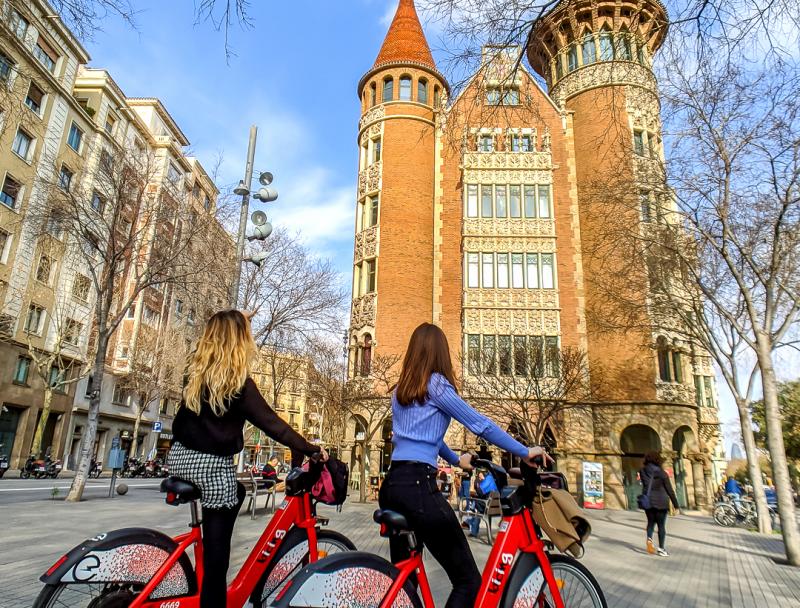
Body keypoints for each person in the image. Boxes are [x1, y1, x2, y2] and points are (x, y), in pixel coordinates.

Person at [379, 322, 551, 607]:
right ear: (440, 353)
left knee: (406, 585)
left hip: (393, 485)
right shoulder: (436, 385)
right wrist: (523, 451)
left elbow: (424, 437)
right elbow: (479, 424)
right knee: (468, 581)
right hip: (419, 488)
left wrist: (456, 459)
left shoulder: (399, 391)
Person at [168, 310, 325, 608]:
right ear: (240, 340)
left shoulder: (195, 371)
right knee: (218, 562)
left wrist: (240, 317)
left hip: (178, 459)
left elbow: (223, 324)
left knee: (237, 491)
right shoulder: (237, 383)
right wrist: (309, 448)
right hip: (210, 468)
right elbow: (273, 424)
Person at [640, 452, 679, 557]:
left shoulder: (643, 471)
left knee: (650, 523)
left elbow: (645, 485)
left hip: (648, 501)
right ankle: (661, 549)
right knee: (661, 526)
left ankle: (649, 539)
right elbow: (669, 490)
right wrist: (676, 504)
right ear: (658, 460)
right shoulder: (662, 473)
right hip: (661, 502)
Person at [465, 470, 498, 537]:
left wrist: (477, 485)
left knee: (476, 503)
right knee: (478, 510)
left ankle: (468, 522)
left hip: (487, 507)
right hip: (495, 508)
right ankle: (470, 524)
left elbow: (480, 491)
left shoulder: (489, 479)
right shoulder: (496, 481)